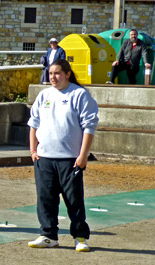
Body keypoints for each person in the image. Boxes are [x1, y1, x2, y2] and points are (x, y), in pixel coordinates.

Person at [27, 58, 99, 252]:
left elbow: (89, 127)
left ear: (67, 74)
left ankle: (80, 237)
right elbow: (33, 124)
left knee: (74, 200)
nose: (53, 77)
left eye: (57, 73)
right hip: (45, 158)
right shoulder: (44, 95)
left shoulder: (79, 94)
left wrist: (83, 156)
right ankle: (49, 235)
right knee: (45, 199)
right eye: (50, 74)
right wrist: (33, 151)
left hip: (70, 159)